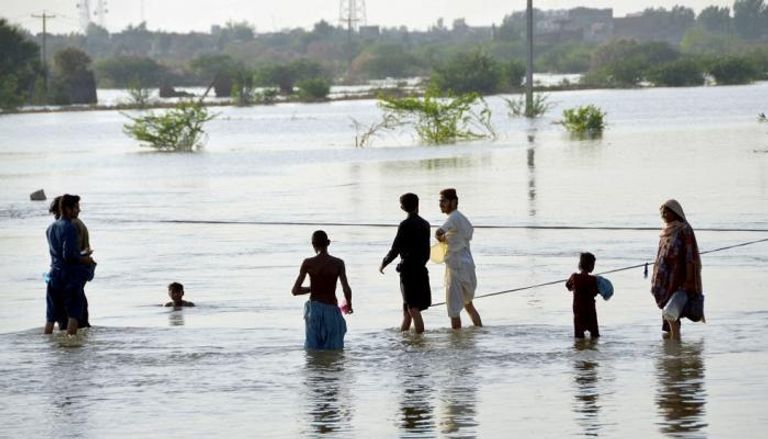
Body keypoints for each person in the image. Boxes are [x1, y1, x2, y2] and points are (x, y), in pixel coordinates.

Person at [651, 199, 703, 340]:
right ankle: (670, 343)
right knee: (668, 310)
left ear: (675, 212)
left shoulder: (684, 229)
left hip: (677, 277)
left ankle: (675, 343)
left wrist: (689, 279)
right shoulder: (666, 230)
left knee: (672, 310)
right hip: (664, 278)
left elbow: (690, 256)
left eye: (666, 212)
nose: (663, 215)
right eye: (662, 212)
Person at [380, 193, 432, 334]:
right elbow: (427, 252)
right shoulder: (425, 224)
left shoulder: (405, 225)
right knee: (407, 309)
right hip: (421, 269)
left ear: (402, 207)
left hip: (408, 271)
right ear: (418, 204)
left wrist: (384, 263)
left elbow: (395, 249)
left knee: (412, 308)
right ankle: (404, 339)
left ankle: (420, 340)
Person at [292, 230, 353, 350]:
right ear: (328, 243)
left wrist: (313, 288)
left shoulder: (308, 263)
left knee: (313, 350)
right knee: (334, 350)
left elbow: (295, 291)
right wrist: (349, 305)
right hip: (331, 310)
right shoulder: (338, 263)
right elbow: (346, 289)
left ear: (313, 244)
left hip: (314, 311)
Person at [44, 194, 95, 335]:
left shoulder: (50, 228)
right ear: (67, 209)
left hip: (53, 274)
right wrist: (86, 259)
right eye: (76, 207)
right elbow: (69, 256)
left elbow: (59, 254)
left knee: (50, 317)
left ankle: (44, 345)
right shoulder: (70, 227)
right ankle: (71, 345)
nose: (79, 210)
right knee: (74, 315)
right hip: (69, 276)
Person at [435, 188, 482, 329]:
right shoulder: (463, 218)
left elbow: (438, 232)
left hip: (456, 267)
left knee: (453, 311)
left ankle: (456, 341)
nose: (441, 204)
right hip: (468, 265)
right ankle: (479, 332)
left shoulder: (453, 218)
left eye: (444, 201)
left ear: (454, 202)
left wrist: (442, 239)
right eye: (440, 201)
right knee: (469, 305)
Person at [566, 252, 600, 339]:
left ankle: (579, 346)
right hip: (590, 310)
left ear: (580, 265)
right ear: (591, 266)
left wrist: (573, 287)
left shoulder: (574, 277)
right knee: (595, 336)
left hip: (578, 310)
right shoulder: (593, 279)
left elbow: (568, 286)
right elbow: (596, 292)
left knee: (579, 336)